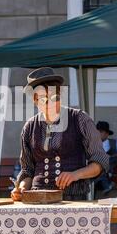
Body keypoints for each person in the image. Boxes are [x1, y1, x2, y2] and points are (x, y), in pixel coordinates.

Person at [11, 67, 109, 201]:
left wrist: (76, 174)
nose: (50, 103)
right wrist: (21, 188)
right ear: (35, 101)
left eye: (54, 97)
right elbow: (27, 170)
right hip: (37, 198)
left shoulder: (80, 119)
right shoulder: (29, 127)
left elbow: (100, 162)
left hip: (73, 199)